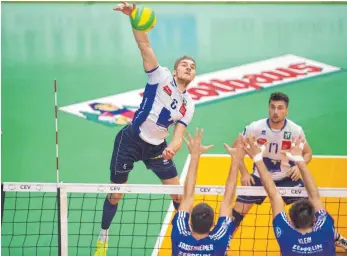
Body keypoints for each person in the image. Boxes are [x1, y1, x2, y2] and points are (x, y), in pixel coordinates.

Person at [94, 2, 197, 255]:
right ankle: (103, 237)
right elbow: (145, 46)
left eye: (193, 67)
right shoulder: (160, 76)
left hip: (157, 149)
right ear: (175, 70)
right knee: (116, 193)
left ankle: (186, 239)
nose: (189, 68)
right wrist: (133, 19)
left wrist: (172, 149)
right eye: (185, 65)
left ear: (194, 76)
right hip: (130, 141)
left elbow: (178, 137)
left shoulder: (189, 105)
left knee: (178, 195)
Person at [231, 92, 347, 250]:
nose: (275, 112)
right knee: (236, 215)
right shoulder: (255, 128)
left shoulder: (295, 130)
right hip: (260, 178)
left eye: (280, 108)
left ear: (287, 110)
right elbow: (236, 148)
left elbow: (308, 153)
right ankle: (225, 242)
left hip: (287, 178)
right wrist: (244, 173)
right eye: (272, 107)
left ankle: (336, 237)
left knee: (310, 214)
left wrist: (298, 166)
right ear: (268, 108)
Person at [243, 135, 342, 255]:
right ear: (314, 219)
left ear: (291, 221)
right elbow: (314, 195)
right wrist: (300, 161)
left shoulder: (286, 234)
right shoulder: (325, 228)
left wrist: (258, 158)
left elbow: (275, 196)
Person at [171, 129, 244, 256]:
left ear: (190, 222)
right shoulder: (218, 239)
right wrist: (236, 160)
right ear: (213, 225)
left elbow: (187, 197)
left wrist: (194, 156)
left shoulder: (180, 232)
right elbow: (227, 201)